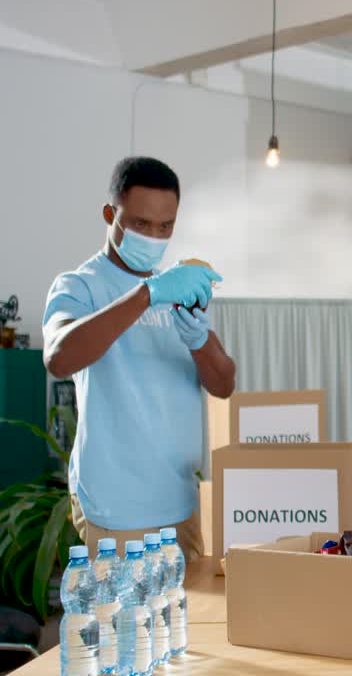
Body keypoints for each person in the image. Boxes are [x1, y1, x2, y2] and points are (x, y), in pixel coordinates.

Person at [43, 157, 235, 560]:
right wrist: (148, 294)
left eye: (165, 226)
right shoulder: (81, 285)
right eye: (141, 224)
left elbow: (223, 385)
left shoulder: (179, 286)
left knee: (187, 622)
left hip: (179, 501)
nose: (154, 236)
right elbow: (59, 358)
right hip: (117, 507)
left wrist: (200, 339)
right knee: (126, 623)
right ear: (110, 214)